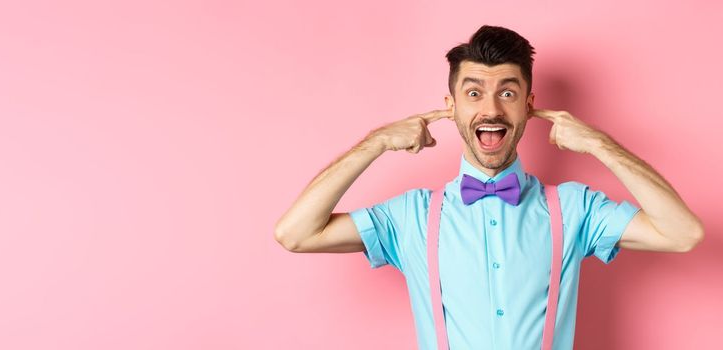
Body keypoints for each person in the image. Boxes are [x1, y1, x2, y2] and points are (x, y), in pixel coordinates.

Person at [273, 25, 704, 349]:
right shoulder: (411, 216)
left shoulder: (576, 208)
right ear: (452, 107)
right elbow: (296, 233)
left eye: (508, 93)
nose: (492, 108)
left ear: (529, 105)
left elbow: (683, 234)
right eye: (474, 93)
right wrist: (376, 143)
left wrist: (599, 145)